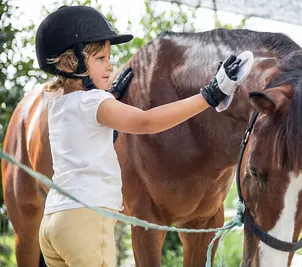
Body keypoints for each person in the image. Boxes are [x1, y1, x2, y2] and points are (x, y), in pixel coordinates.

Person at [35, 5, 245, 267]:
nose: (110, 65)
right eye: (101, 58)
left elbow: (84, 135)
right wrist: (209, 96)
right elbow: (147, 122)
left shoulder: (57, 104)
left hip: (54, 222)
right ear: (72, 63)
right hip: (85, 222)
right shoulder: (94, 102)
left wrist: (110, 98)